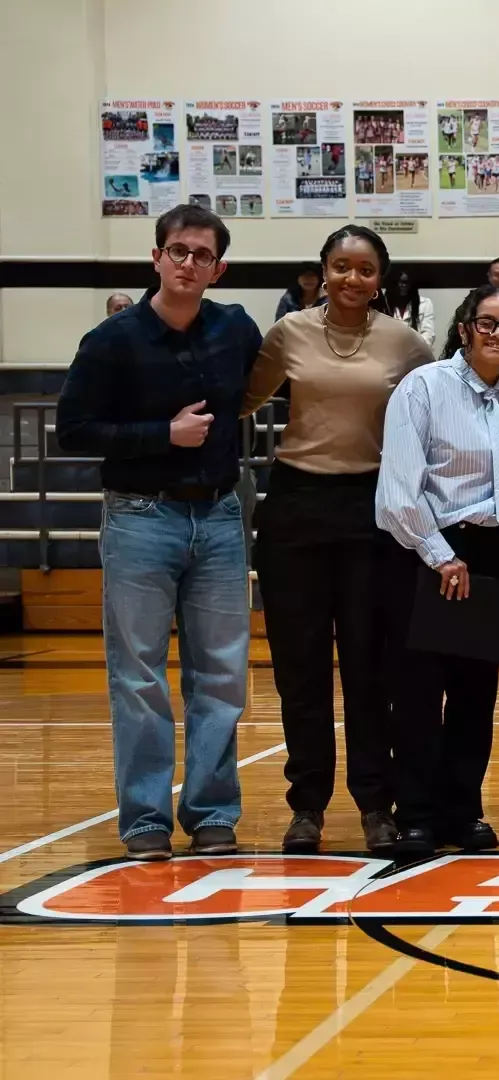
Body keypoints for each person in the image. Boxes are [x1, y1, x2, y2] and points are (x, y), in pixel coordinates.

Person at [55, 204, 261, 861]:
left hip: (221, 515)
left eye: (202, 255)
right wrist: (160, 436)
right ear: (156, 258)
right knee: (139, 675)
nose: (189, 263)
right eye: (178, 251)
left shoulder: (236, 330)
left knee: (223, 674)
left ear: (218, 268)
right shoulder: (111, 341)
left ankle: (210, 813)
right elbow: (74, 430)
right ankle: (145, 819)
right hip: (140, 516)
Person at [248, 224, 433, 855]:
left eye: (365, 269)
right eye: (340, 267)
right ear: (321, 272)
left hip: (373, 512)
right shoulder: (287, 333)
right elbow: (238, 402)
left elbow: (435, 417)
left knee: (369, 669)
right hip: (296, 506)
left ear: (382, 278)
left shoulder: (405, 343)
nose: (352, 279)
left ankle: (375, 806)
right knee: (299, 670)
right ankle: (307, 808)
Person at [375, 285, 499, 857]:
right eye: (487, 323)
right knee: (419, 693)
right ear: (465, 328)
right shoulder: (424, 388)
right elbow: (398, 490)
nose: (498, 333)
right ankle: (416, 812)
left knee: (477, 694)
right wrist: (442, 556)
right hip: (426, 550)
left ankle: (463, 808)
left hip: (492, 552)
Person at [385, 267, 436, 346]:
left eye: (406, 282)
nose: (403, 285)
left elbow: (428, 333)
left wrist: (415, 350)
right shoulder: (385, 305)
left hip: (417, 353)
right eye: (400, 282)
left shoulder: (425, 304)